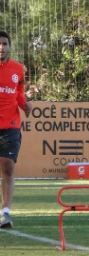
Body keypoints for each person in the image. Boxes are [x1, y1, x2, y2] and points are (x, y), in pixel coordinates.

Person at [0, 31, 33, 228]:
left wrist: (25, 105)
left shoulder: (17, 69)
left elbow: (18, 92)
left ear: (9, 46)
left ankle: (5, 213)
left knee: (8, 166)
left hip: (11, 124)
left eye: (4, 44)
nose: (1, 47)